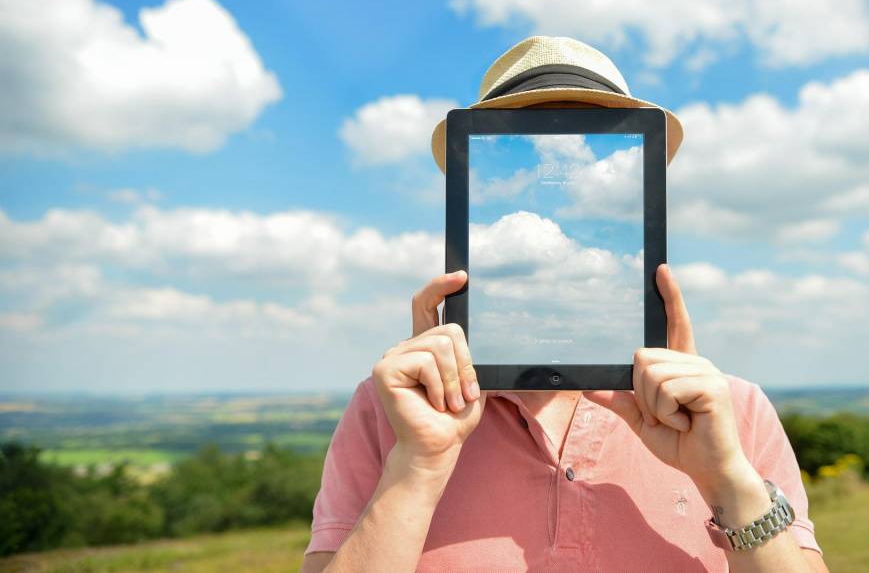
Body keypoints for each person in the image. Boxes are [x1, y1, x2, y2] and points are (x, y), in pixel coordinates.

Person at [301, 37, 830, 572]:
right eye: (516, 156)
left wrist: (727, 479)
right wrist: (416, 466)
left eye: (604, 152)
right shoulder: (387, 412)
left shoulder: (734, 412)